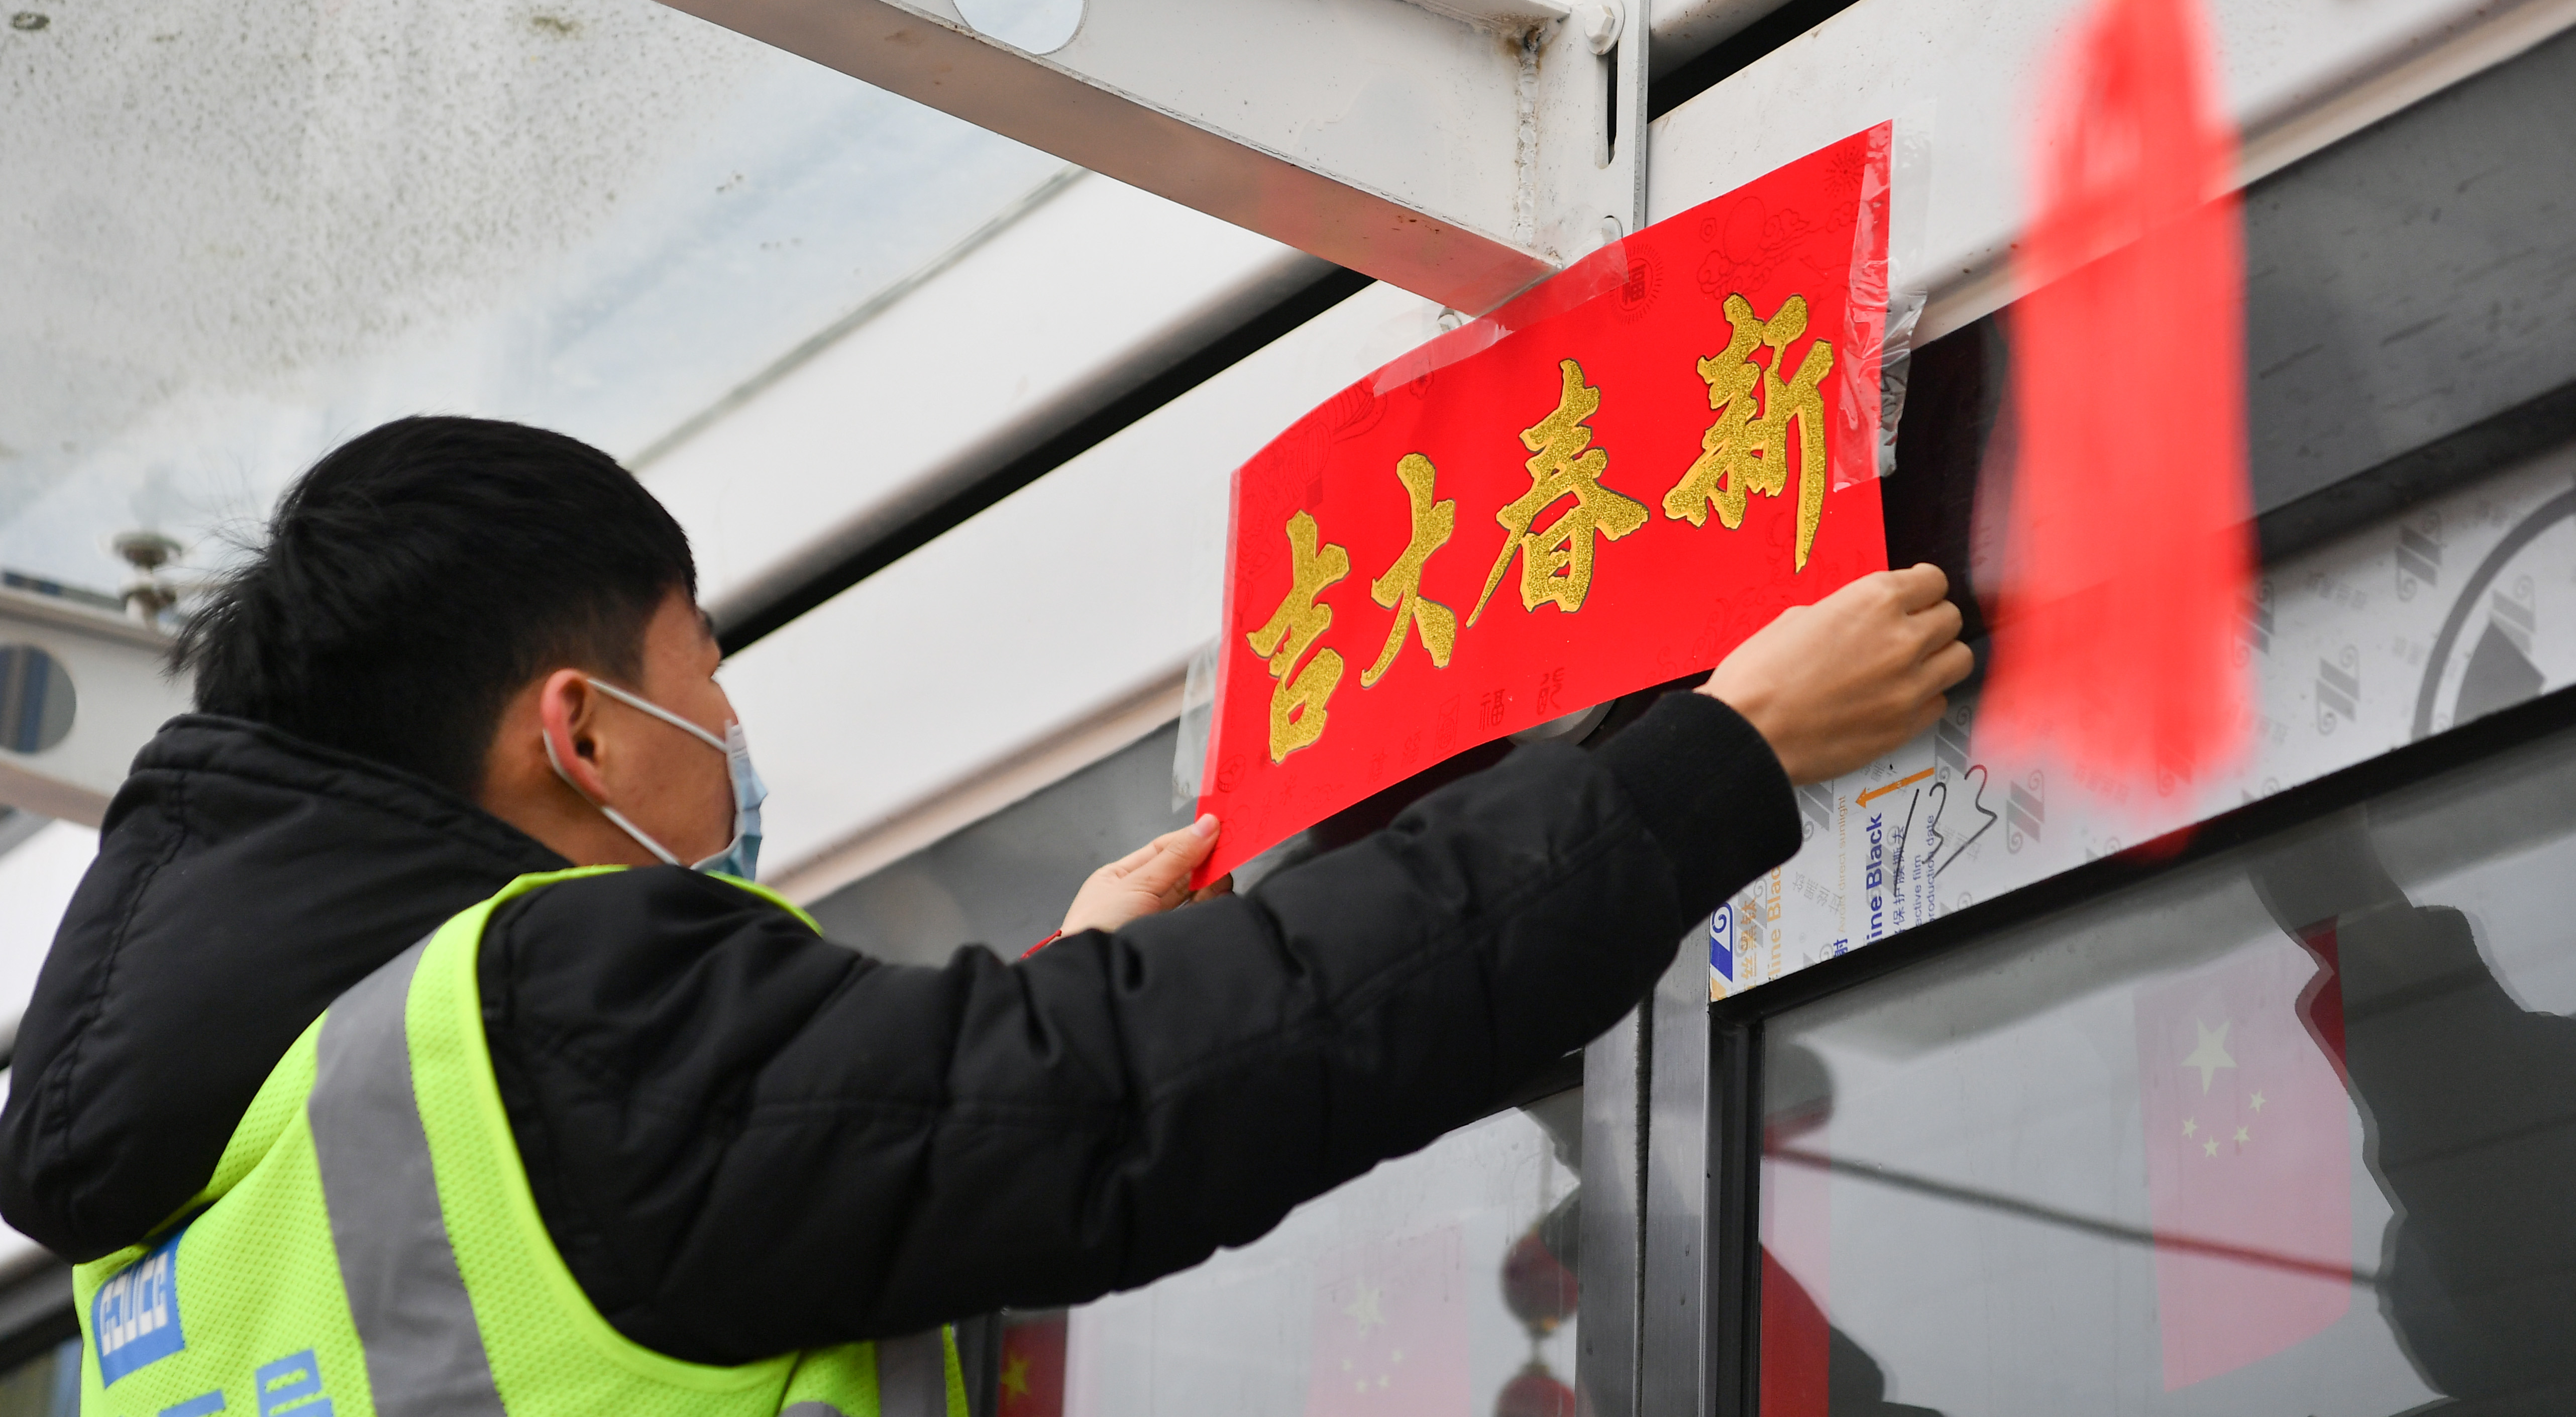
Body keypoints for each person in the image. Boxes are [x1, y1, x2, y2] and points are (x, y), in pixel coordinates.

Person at [0, 416, 1970, 1415]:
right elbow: (1150, 1094)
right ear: (578, 728)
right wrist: (1717, 758)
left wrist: (1047, 996)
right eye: (706, 667)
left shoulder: (184, 1229)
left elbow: (672, 1266)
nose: (730, 730)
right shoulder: (536, 1022)